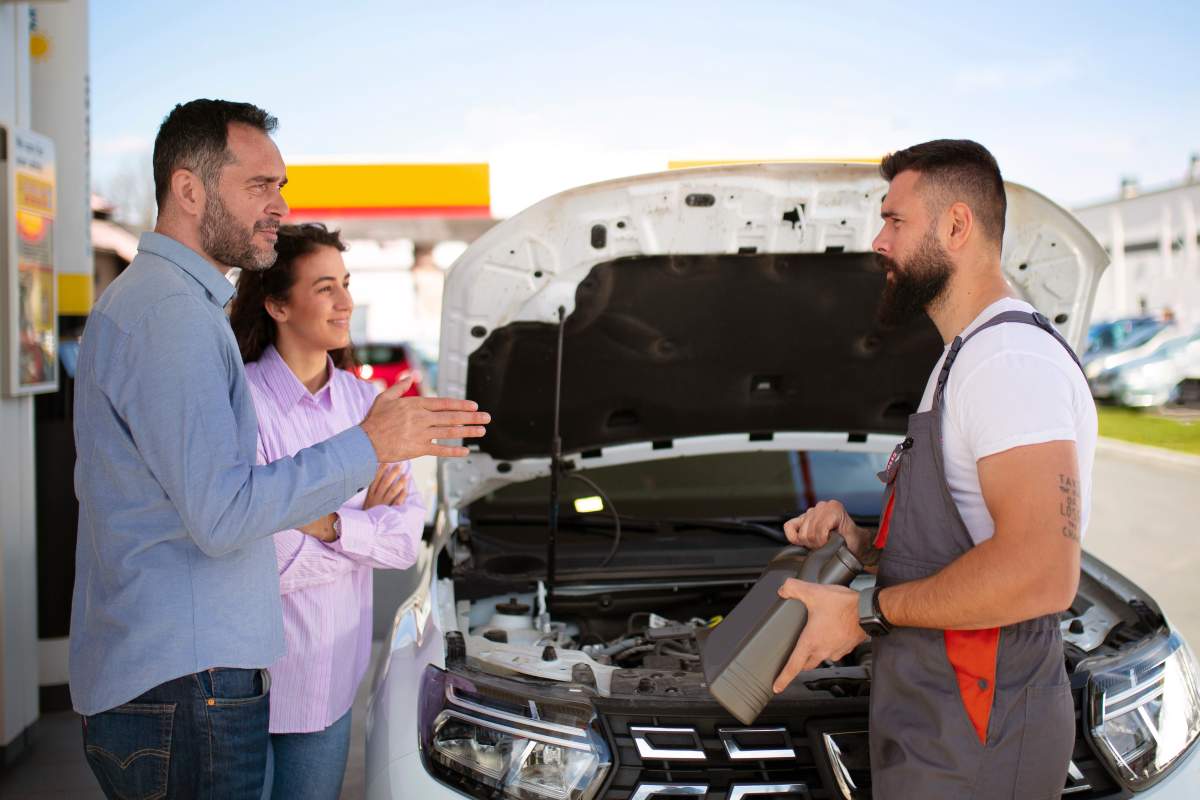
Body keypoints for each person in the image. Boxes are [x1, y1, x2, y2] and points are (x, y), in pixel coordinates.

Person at [70, 99, 490, 799]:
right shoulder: (173, 316)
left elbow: (384, 539)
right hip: (187, 685)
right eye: (259, 185)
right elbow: (228, 517)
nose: (279, 205)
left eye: (281, 185)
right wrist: (367, 447)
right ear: (188, 189)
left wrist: (323, 522)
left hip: (182, 680)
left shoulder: (165, 304)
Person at [775, 140, 1095, 798]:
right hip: (942, 724)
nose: (878, 241)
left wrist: (864, 613)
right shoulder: (965, 358)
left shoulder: (1009, 361)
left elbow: (1042, 571)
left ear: (956, 225)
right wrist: (865, 545)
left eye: (895, 220)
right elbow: (962, 540)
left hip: (981, 731)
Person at [227, 223, 424, 799]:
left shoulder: (370, 405)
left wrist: (327, 523)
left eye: (346, 283)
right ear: (277, 305)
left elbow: (404, 543)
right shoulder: (242, 401)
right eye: (324, 287)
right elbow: (255, 556)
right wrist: (361, 531)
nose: (346, 302)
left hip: (329, 685)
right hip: (241, 686)